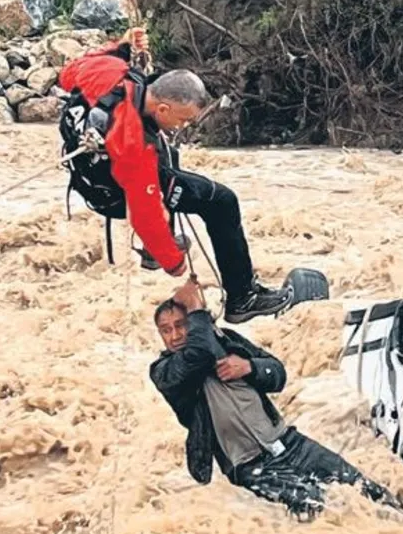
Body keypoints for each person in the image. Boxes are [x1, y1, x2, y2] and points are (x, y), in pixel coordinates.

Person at [57, 27, 290, 324]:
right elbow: (144, 214)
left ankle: (160, 250)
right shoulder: (134, 145)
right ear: (163, 107)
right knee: (221, 201)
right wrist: (174, 262)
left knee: (171, 156)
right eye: (183, 120)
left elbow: (68, 75)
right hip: (112, 193)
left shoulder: (107, 69)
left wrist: (121, 46)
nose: (183, 127)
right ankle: (243, 298)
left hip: (87, 174)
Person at [149, 279, 403, 520]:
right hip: (249, 466)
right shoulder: (164, 371)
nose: (174, 336)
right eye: (166, 330)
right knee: (314, 507)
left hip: (289, 443)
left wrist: (250, 367)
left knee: (363, 487)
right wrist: (194, 308)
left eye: (181, 325)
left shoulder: (226, 340)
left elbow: (278, 374)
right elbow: (200, 354)